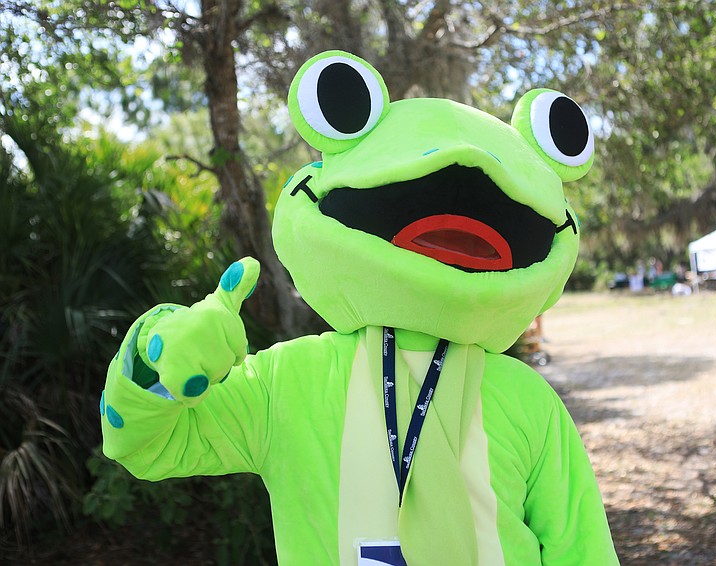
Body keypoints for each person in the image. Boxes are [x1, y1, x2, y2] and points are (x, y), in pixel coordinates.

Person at [99, 50, 617, 565]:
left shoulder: (529, 400)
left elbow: (581, 548)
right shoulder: (288, 381)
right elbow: (148, 446)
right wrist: (156, 358)